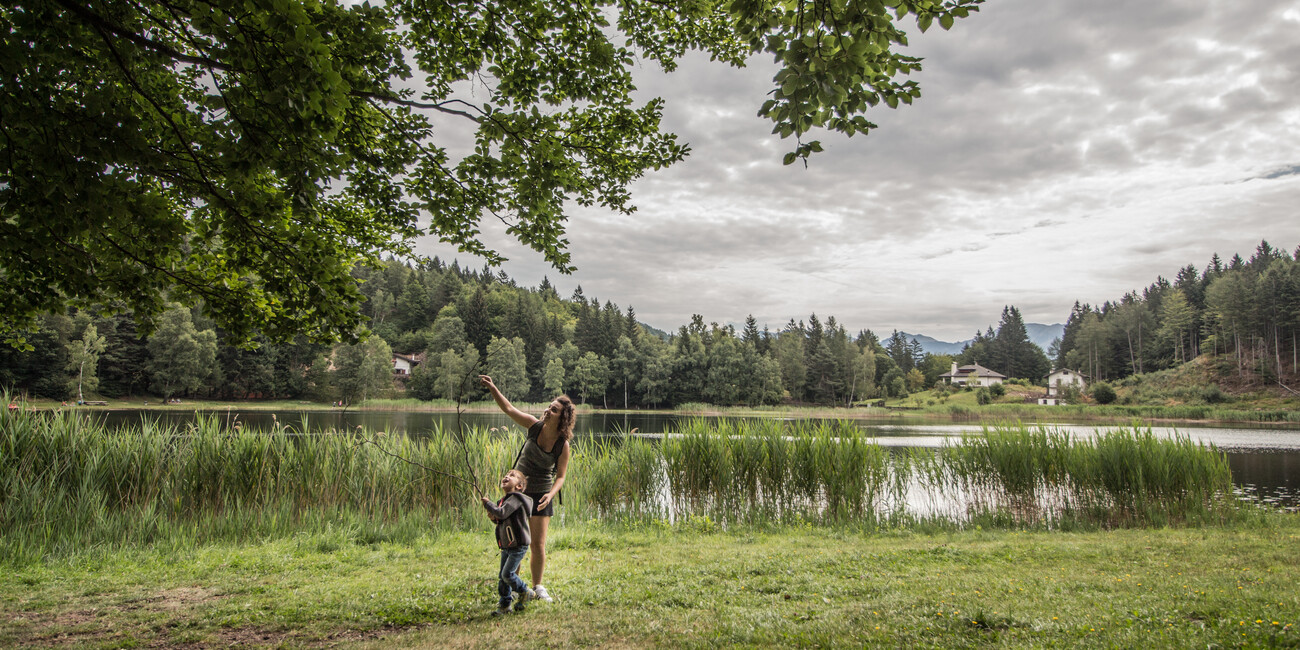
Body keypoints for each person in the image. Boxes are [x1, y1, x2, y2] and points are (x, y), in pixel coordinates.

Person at [480, 375, 573, 603]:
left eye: (554, 410)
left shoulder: (563, 445)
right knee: (515, 541)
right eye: (549, 407)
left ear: (562, 418)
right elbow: (509, 409)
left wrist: (550, 495)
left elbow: (560, 476)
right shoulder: (533, 426)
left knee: (538, 544)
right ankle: (514, 585)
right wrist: (493, 388)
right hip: (518, 493)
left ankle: (538, 587)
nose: (548, 411)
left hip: (543, 494)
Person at [480, 469, 535, 616]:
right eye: (506, 475)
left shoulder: (517, 499)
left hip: (518, 545)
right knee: (502, 577)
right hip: (507, 545)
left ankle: (525, 592)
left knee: (507, 574)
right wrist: (493, 517)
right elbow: (500, 519)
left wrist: (488, 505)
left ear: (518, 486)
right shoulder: (503, 501)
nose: (506, 476)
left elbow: (502, 513)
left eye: (512, 476)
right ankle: (505, 605)